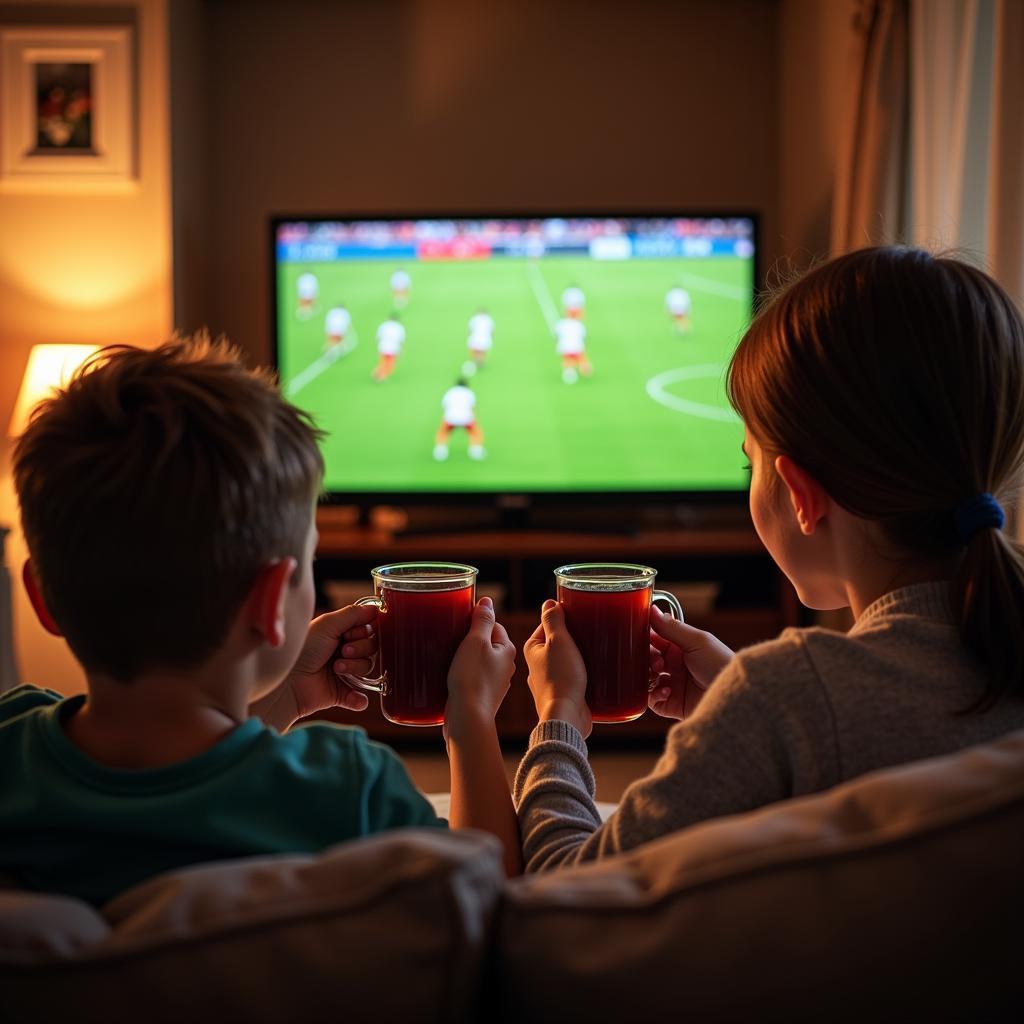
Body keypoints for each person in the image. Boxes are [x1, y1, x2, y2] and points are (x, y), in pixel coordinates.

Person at [514, 246, 1024, 872]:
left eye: (749, 464)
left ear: (803, 497)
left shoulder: (789, 697)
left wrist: (558, 716)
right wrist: (737, 712)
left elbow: (564, 896)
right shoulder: (790, 699)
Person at [0, 337, 520, 906]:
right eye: (309, 563)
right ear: (275, 601)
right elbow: (487, 901)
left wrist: (285, 700)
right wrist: (468, 717)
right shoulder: (349, 787)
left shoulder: (12, 751)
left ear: (41, 597)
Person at [434, 378, 486, 461]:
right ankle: (476, 451)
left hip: (450, 417)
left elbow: (444, 406)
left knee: (443, 433)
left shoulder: (450, 392)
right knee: (475, 433)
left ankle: (440, 451)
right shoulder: (469, 393)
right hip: (466, 418)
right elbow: (472, 407)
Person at [554, 316, 592, 383]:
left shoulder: (562, 323)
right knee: (580, 360)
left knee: (568, 360)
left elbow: (557, 335)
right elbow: (583, 336)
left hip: (565, 346)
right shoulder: (578, 324)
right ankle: (584, 371)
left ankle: (570, 373)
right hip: (576, 346)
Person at [372, 314, 405, 381]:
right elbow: (401, 339)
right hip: (393, 347)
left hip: (383, 346)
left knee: (383, 361)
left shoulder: (384, 325)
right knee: (390, 362)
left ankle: (378, 372)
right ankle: (382, 375)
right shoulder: (399, 327)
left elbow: (378, 336)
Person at [463, 309, 495, 376]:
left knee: (475, 351)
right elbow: (492, 331)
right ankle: (479, 363)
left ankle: (475, 362)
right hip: (485, 338)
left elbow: (470, 329)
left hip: (475, 337)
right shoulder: (488, 319)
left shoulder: (474, 319)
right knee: (482, 352)